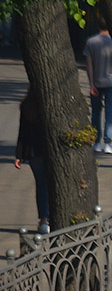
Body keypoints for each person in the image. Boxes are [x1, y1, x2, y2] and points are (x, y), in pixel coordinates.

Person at [84, 15, 112, 155]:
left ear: (97, 26)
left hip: (96, 82)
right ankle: (108, 143)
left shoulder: (91, 42)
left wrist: (91, 84)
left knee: (96, 112)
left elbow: (89, 66)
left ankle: (96, 143)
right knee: (110, 112)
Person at [15, 85, 50, 233]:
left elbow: (22, 132)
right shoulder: (48, 106)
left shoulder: (26, 106)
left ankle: (43, 220)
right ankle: (51, 218)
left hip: (33, 152)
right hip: (49, 151)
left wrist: (18, 155)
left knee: (41, 185)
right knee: (51, 184)